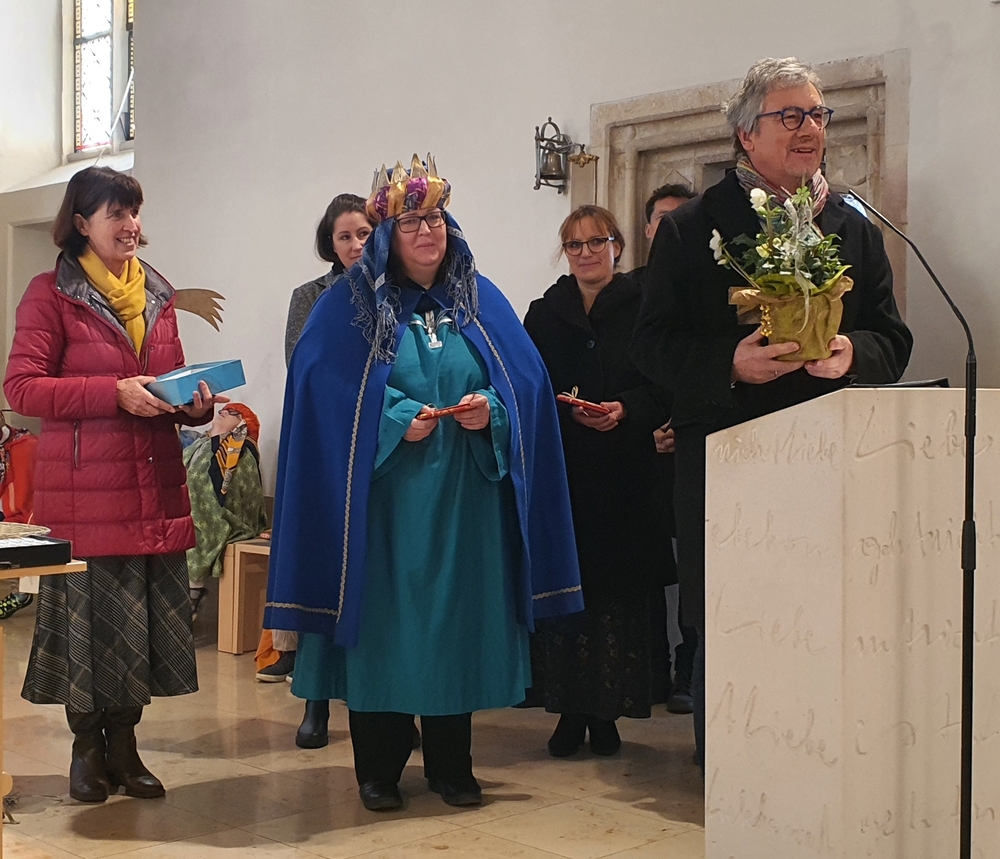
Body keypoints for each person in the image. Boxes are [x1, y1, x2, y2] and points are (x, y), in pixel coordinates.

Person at [265, 155, 583, 811]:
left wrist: (491, 412)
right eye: (412, 222)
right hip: (383, 506)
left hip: (465, 503)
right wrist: (390, 419)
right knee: (385, 632)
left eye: (435, 219)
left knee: (453, 630)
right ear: (388, 234)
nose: (427, 232)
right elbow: (321, 388)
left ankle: (452, 766)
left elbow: (525, 384)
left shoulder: (480, 299)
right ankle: (378, 768)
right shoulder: (350, 304)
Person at [631, 57, 913, 770]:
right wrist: (730, 363)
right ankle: (733, 782)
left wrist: (851, 353)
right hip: (732, 461)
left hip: (831, 467)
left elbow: (892, 337)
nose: (809, 127)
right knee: (735, 625)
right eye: (790, 115)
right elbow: (652, 345)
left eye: (817, 114)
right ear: (746, 134)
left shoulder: (853, 222)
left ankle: (817, 778)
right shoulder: (693, 227)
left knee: (825, 620)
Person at [3, 166, 226, 803]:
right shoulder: (50, 293)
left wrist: (193, 407)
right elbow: (22, 388)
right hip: (86, 495)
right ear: (81, 223)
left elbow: (167, 380)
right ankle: (86, 752)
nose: (131, 226)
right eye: (116, 214)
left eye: (135, 212)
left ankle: (125, 748)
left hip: (152, 486)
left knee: (138, 626)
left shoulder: (157, 294)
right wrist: (112, 393)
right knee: (89, 629)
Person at [523, 205, 671, 757]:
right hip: (567, 473)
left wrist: (626, 409)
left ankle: (607, 714)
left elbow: (664, 382)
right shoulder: (544, 313)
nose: (586, 253)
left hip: (626, 473)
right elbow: (529, 386)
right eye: (574, 244)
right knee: (570, 594)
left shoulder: (647, 305)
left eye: (596, 241)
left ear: (618, 247)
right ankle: (568, 714)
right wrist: (571, 413)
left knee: (617, 603)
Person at [637, 183, 700, 717]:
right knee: (656, 565)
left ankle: (691, 665)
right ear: (647, 228)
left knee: (698, 562)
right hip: (644, 447)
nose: (670, 227)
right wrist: (646, 426)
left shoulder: (707, 283)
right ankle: (653, 667)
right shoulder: (633, 289)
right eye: (662, 219)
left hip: (695, 437)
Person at [184, 403, 267, 619]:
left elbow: (240, 493)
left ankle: (193, 593)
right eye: (223, 410)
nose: (223, 412)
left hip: (221, 514)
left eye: (233, 413)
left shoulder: (240, 451)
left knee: (195, 531)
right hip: (188, 509)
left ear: (242, 425)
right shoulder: (197, 444)